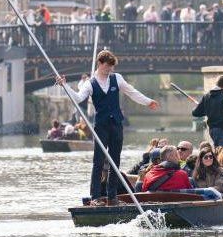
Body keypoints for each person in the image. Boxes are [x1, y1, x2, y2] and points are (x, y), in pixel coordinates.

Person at [60, 49, 159, 206]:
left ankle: (112, 196)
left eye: (112, 67)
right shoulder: (90, 83)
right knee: (98, 161)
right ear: (100, 64)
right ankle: (95, 197)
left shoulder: (117, 78)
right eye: (108, 67)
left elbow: (132, 93)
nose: (110, 70)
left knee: (115, 161)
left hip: (116, 125)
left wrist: (148, 102)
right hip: (101, 126)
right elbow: (78, 98)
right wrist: (65, 86)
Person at [191, 75, 223, 147]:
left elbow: (196, 113)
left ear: (216, 83)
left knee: (217, 151)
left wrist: (204, 108)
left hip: (212, 130)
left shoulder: (206, 96)